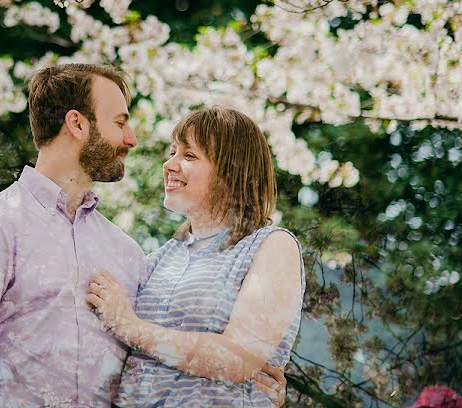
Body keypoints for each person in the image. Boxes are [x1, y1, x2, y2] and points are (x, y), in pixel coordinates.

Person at [0, 66, 286, 406]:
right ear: (77, 124)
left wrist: (243, 375)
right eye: (120, 122)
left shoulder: (128, 253)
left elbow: (149, 352)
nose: (132, 139)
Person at [87, 106, 305, 407]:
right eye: (172, 152)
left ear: (232, 170)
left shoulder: (272, 247)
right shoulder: (161, 258)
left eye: (189, 156)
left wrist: (131, 326)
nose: (170, 165)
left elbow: (237, 360)